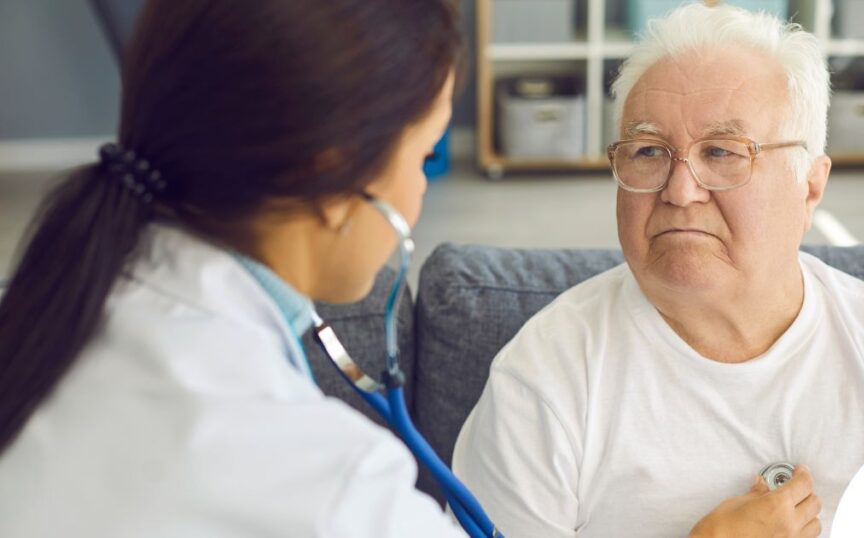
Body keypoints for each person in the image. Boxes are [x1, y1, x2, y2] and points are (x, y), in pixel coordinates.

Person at [0, 1, 819, 536]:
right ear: (333, 178)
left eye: (723, 154)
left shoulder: (63, 307)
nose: (681, 189)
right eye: (424, 155)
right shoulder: (333, 487)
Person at [451, 4, 864, 538]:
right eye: (648, 150)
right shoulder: (544, 380)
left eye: (724, 153)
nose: (680, 191)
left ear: (810, 187)